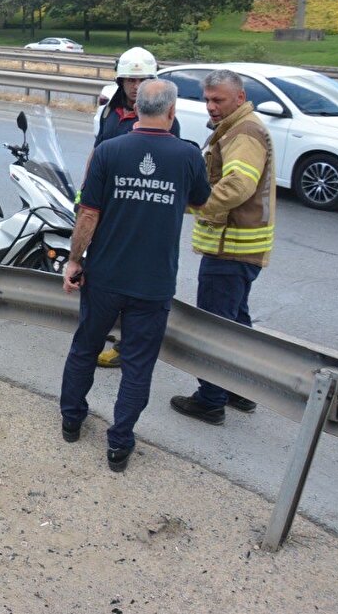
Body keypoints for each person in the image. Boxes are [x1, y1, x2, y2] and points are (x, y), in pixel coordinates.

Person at [59, 80, 210, 473]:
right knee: (138, 365)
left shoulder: (109, 151)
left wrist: (75, 260)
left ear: (135, 107)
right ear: (172, 111)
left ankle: (72, 420)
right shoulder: (188, 155)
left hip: (105, 275)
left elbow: (88, 214)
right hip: (153, 282)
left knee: (85, 348)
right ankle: (119, 445)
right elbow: (199, 200)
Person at [170, 69, 276, 425]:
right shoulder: (236, 128)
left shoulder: (244, 132)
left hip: (229, 249)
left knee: (213, 328)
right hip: (239, 249)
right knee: (236, 325)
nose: (211, 107)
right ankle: (241, 389)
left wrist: (193, 204)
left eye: (219, 100)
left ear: (240, 98)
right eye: (208, 99)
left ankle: (210, 400)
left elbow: (237, 186)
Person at [87, 46, 180, 369]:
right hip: (109, 207)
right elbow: (97, 152)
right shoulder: (109, 112)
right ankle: (105, 332)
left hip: (141, 211)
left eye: (142, 79)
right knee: (107, 271)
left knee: (137, 275)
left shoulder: (165, 118)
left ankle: (127, 345)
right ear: (120, 80)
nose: (135, 86)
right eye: (130, 79)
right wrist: (84, 194)